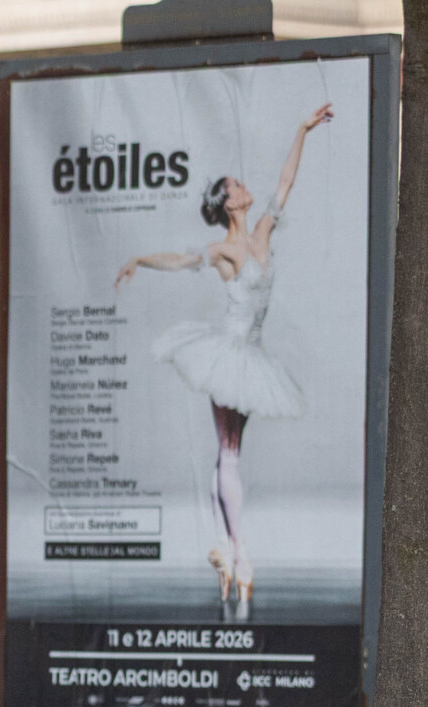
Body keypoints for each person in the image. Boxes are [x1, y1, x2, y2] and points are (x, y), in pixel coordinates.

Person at [115, 102, 335, 622]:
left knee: (229, 453)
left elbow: (286, 180)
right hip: (225, 354)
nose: (245, 187)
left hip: (252, 358)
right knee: (229, 452)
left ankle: (226, 547)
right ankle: (239, 553)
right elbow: (183, 259)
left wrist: (301, 128)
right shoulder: (227, 249)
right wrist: (140, 260)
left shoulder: (262, 231)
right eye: (236, 185)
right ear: (227, 201)